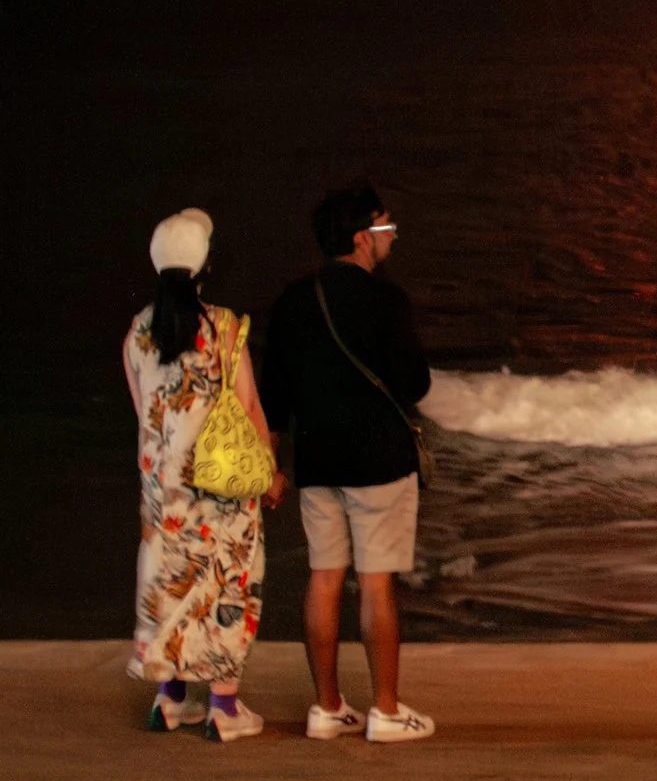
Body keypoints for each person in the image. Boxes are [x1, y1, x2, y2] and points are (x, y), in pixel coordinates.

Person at [260, 183, 436, 743]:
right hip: (378, 460)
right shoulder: (387, 301)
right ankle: (385, 710)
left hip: (317, 459)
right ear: (362, 238)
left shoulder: (292, 299)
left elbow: (273, 395)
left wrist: (274, 462)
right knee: (377, 583)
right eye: (386, 228)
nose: (391, 237)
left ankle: (328, 708)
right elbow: (415, 384)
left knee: (325, 577)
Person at [124, 209, 278, 742]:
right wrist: (270, 470)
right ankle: (223, 708)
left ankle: (169, 702)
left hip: (162, 490)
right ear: (203, 267)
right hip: (219, 488)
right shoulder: (224, 326)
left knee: (172, 586)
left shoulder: (138, 333)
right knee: (226, 585)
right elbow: (249, 406)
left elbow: (143, 409)